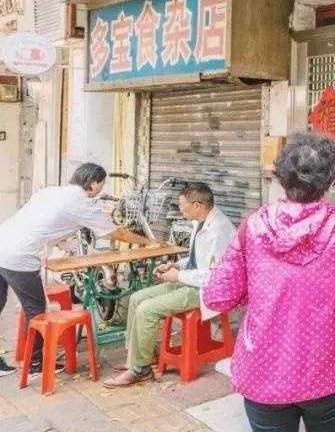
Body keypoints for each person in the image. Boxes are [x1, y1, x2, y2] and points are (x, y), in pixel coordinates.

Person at [203, 132, 335, 432]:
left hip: (264, 372)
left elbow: (218, 295)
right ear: (330, 180)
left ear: (281, 176)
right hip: (328, 371)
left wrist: (257, 293)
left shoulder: (251, 227)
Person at [0, 163, 156, 377]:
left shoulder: (51, 191)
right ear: (93, 184)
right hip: (19, 257)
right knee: (35, 311)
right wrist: (148, 243)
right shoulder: (83, 203)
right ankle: (35, 365)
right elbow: (116, 232)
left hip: (3, 240)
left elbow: (43, 223)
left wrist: (64, 243)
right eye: (101, 184)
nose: (100, 189)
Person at [104, 182, 235, 387]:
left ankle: (141, 369)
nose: (180, 210)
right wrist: (175, 265)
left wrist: (178, 276)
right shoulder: (200, 222)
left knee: (147, 310)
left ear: (198, 205)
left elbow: (214, 276)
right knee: (136, 298)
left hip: (207, 290)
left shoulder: (219, 230)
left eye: (183, 206)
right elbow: (196, 261)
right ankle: (136, 358)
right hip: (191, 280)